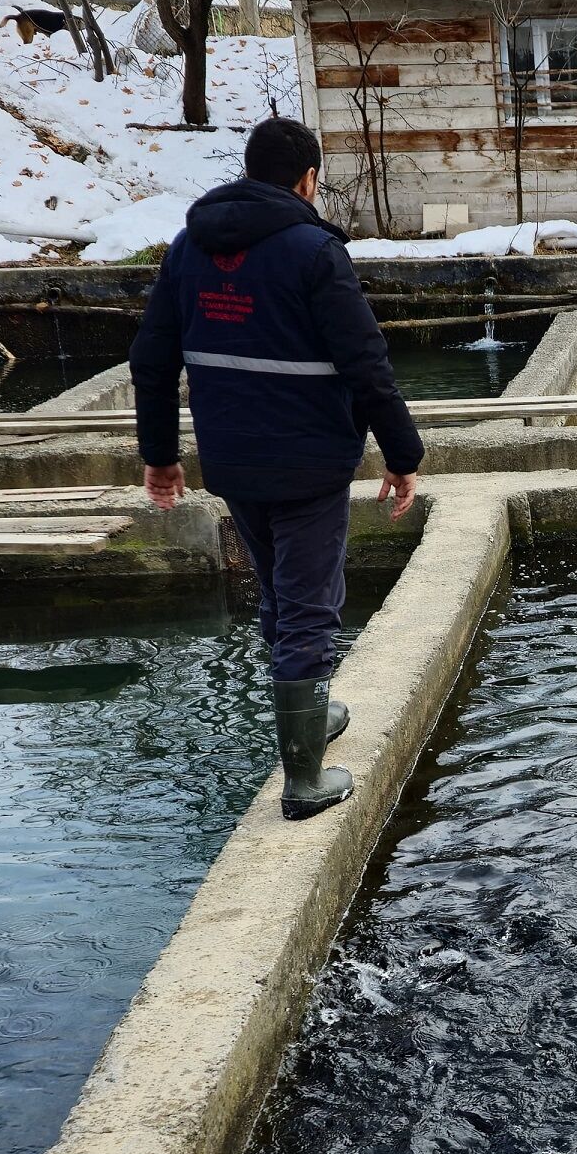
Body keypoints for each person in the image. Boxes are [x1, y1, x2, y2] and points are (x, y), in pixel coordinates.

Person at [132, 116, 424, 820]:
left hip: (234, 459)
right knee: (308, 611)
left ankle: (310, 717)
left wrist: (161, 455)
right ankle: (303, 782)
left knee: (278, 596)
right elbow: (365, 363)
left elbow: (151, 358)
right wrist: (402, 454)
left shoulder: (188, 248)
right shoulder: (313, 251)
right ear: (307, 180)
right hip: (309, 460)